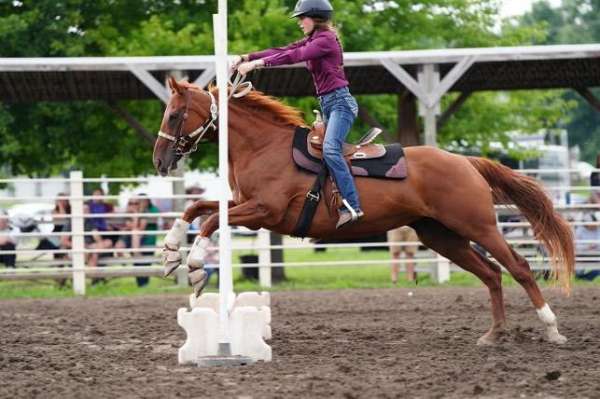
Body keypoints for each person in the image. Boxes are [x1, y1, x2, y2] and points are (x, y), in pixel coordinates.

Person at [232, 0, 363, 229]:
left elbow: (295, 56)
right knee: (324, 150)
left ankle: (352, 205)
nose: (300, 23)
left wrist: (257, 65)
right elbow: (284, 51)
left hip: (340, 104)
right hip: (329, 104)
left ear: (315, 17)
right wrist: (247, 57)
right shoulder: (315, 39)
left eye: (302, 18)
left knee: (331, 149)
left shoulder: (325, 40)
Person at [574, 212, 600, 281]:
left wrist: (593, 246)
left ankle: (586, 278)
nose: (593, 225)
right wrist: (587, 246)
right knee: (577, 273)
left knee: (598, 270)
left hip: (596, 255)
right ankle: (582, 277)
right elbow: (577, 247)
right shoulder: (579, 230)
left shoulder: (598, 229)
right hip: (582, 255)